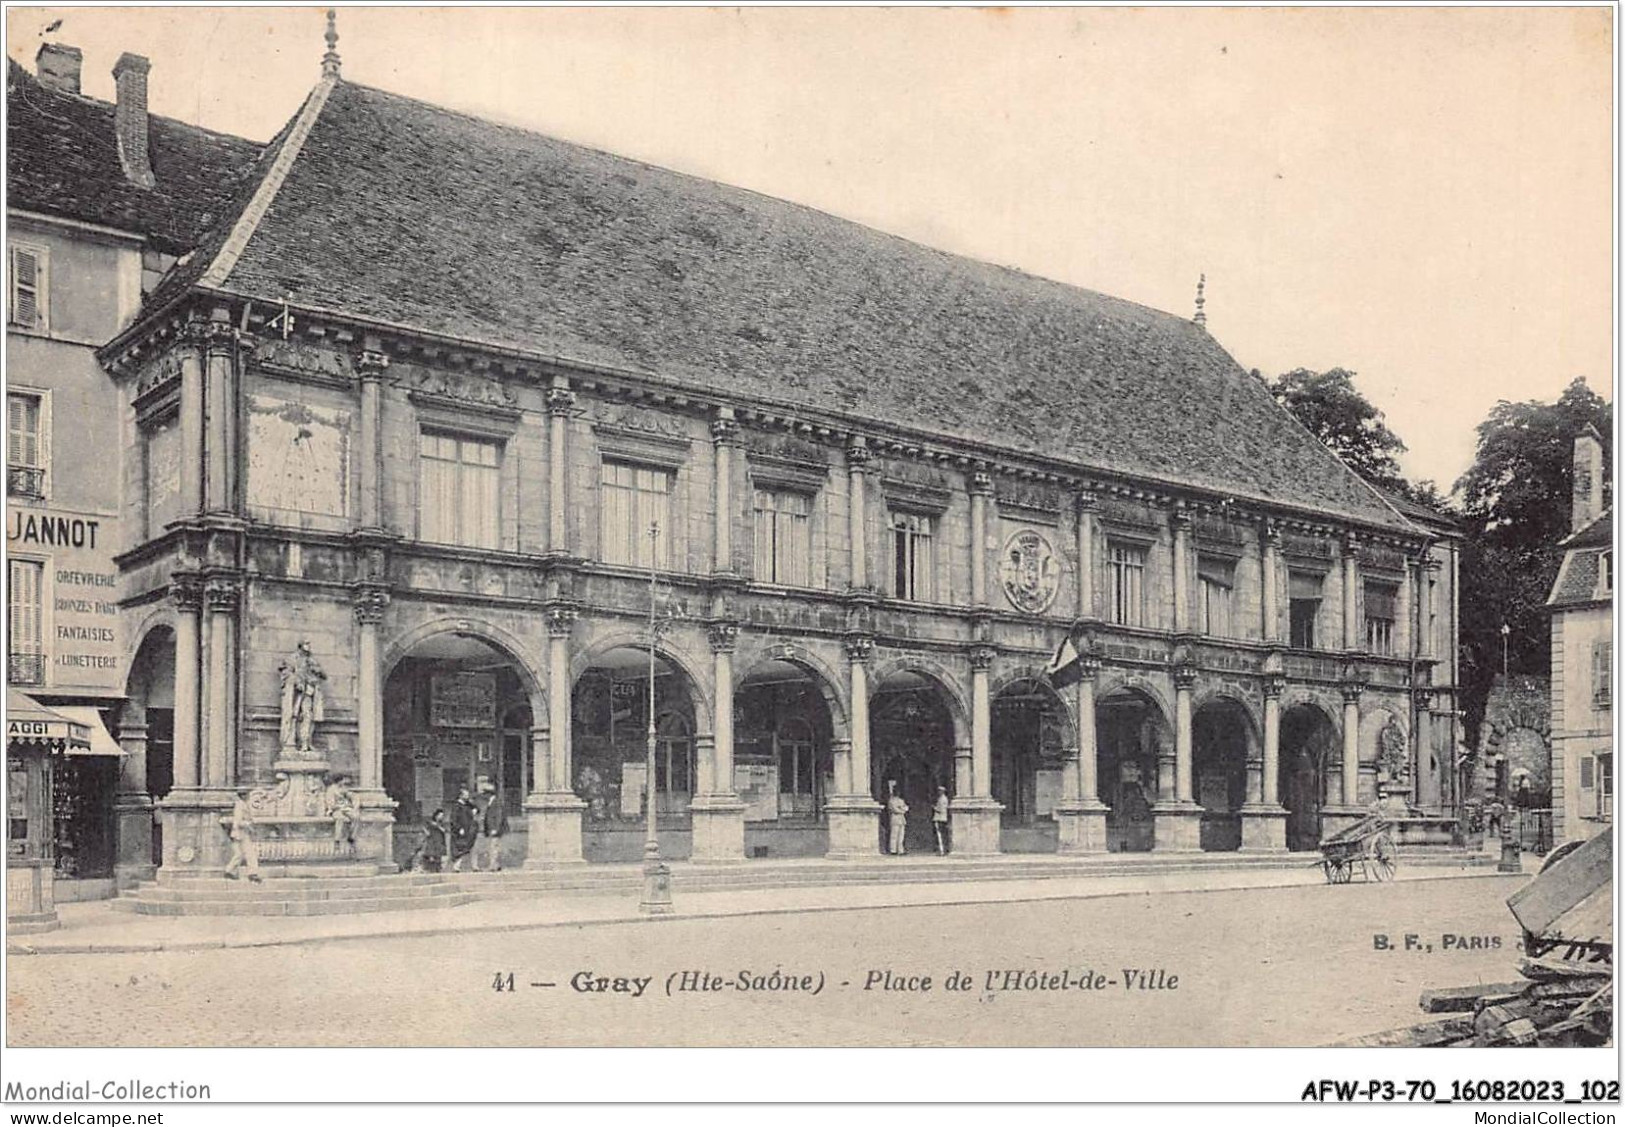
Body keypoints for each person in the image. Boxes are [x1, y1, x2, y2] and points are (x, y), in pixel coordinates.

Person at [224, 787, 263, 882]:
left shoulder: (243, 804)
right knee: (249, 854)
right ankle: (252, 873)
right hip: (240, 833)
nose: (249, 796)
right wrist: (249, 825)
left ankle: (229, 871)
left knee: (240, 854)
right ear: (244, 795)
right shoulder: (240, 805)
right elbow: (238, 821)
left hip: (241, 833)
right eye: (247, 794)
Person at [476, 778, 509, 872]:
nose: (484, 796)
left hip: (495, 829)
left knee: (494, 847)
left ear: (489, 794)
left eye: (485, 794)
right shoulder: (491, 802)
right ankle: (496, 865)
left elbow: (498, 816)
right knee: (494, 847)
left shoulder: (496, 802)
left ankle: (492, 865)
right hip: (492, 829)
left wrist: (495, 828)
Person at [325, 773, 359, 850]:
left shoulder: (343, 788)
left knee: (356, 817)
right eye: (342, 780)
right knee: (340, 818)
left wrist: (354, 804)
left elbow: (352, 796)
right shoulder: (331, 790)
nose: (344, 782)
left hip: (345, 808)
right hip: (335, 809)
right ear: (339, 781)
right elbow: (330, 804)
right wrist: (339, 807)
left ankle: (351, 837)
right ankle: (337, 840)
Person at [449, 785, 478, 872]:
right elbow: (453, 819)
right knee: (460, 848)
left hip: (469, 829)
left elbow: (477, 809)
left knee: (472, 847)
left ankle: (475, 866)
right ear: (460, 795)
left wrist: (471, 804)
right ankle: (456, 866)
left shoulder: (467, 805)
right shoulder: (456, 806)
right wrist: (458, 828)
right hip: (461, 830)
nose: (467, 796)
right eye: (465, 795)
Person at [886, 782, 909, 856]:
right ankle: (893, 850)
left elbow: (906, 808)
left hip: (901, 819)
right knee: (894, 835)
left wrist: (902, 809)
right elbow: (894, 809)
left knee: (901, 836)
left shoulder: (901, 800)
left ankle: (900, 850)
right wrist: (902, 810)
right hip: (895, 818)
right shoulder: (891, 800)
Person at [932, 785, 951, 856]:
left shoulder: (942, 799)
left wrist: (934, 807)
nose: (938, 792)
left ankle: (942, 850)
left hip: (939, 818)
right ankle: (942, 849)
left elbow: (941, 809)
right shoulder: (943, 799)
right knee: (942, 834)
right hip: (943, 818)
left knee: (940, 835)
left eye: (939, 791)